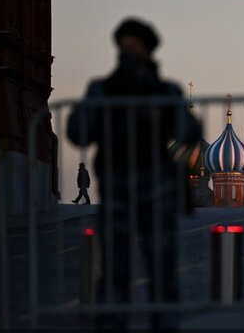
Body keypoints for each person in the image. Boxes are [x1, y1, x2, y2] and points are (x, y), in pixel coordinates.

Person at [66, 17, 202, 330]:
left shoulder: (164, 90)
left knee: (161, 261)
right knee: (115, 262)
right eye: (122, 45)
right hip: (116, 184)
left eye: (133, 45)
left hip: (156, 185)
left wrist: (167, 111)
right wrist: (91, 111)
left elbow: (188, 131)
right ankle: (113, 321)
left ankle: (164, 322)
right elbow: (79, 133)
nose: (126, 51)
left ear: (147, 49)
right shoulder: (102, 89)